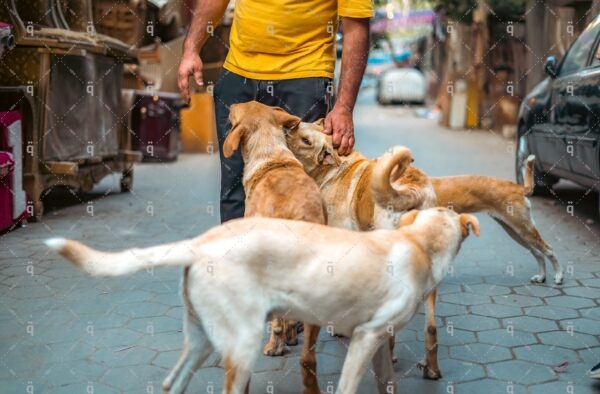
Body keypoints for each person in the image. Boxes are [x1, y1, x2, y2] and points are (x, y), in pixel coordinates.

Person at [178, 0, 372, 223]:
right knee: (234, 189)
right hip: (239, 72)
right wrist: (191, 48)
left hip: (304, 75)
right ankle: (237, 255)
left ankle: (293, 254)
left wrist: (344, 107)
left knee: (299, 188)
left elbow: (356, 24)